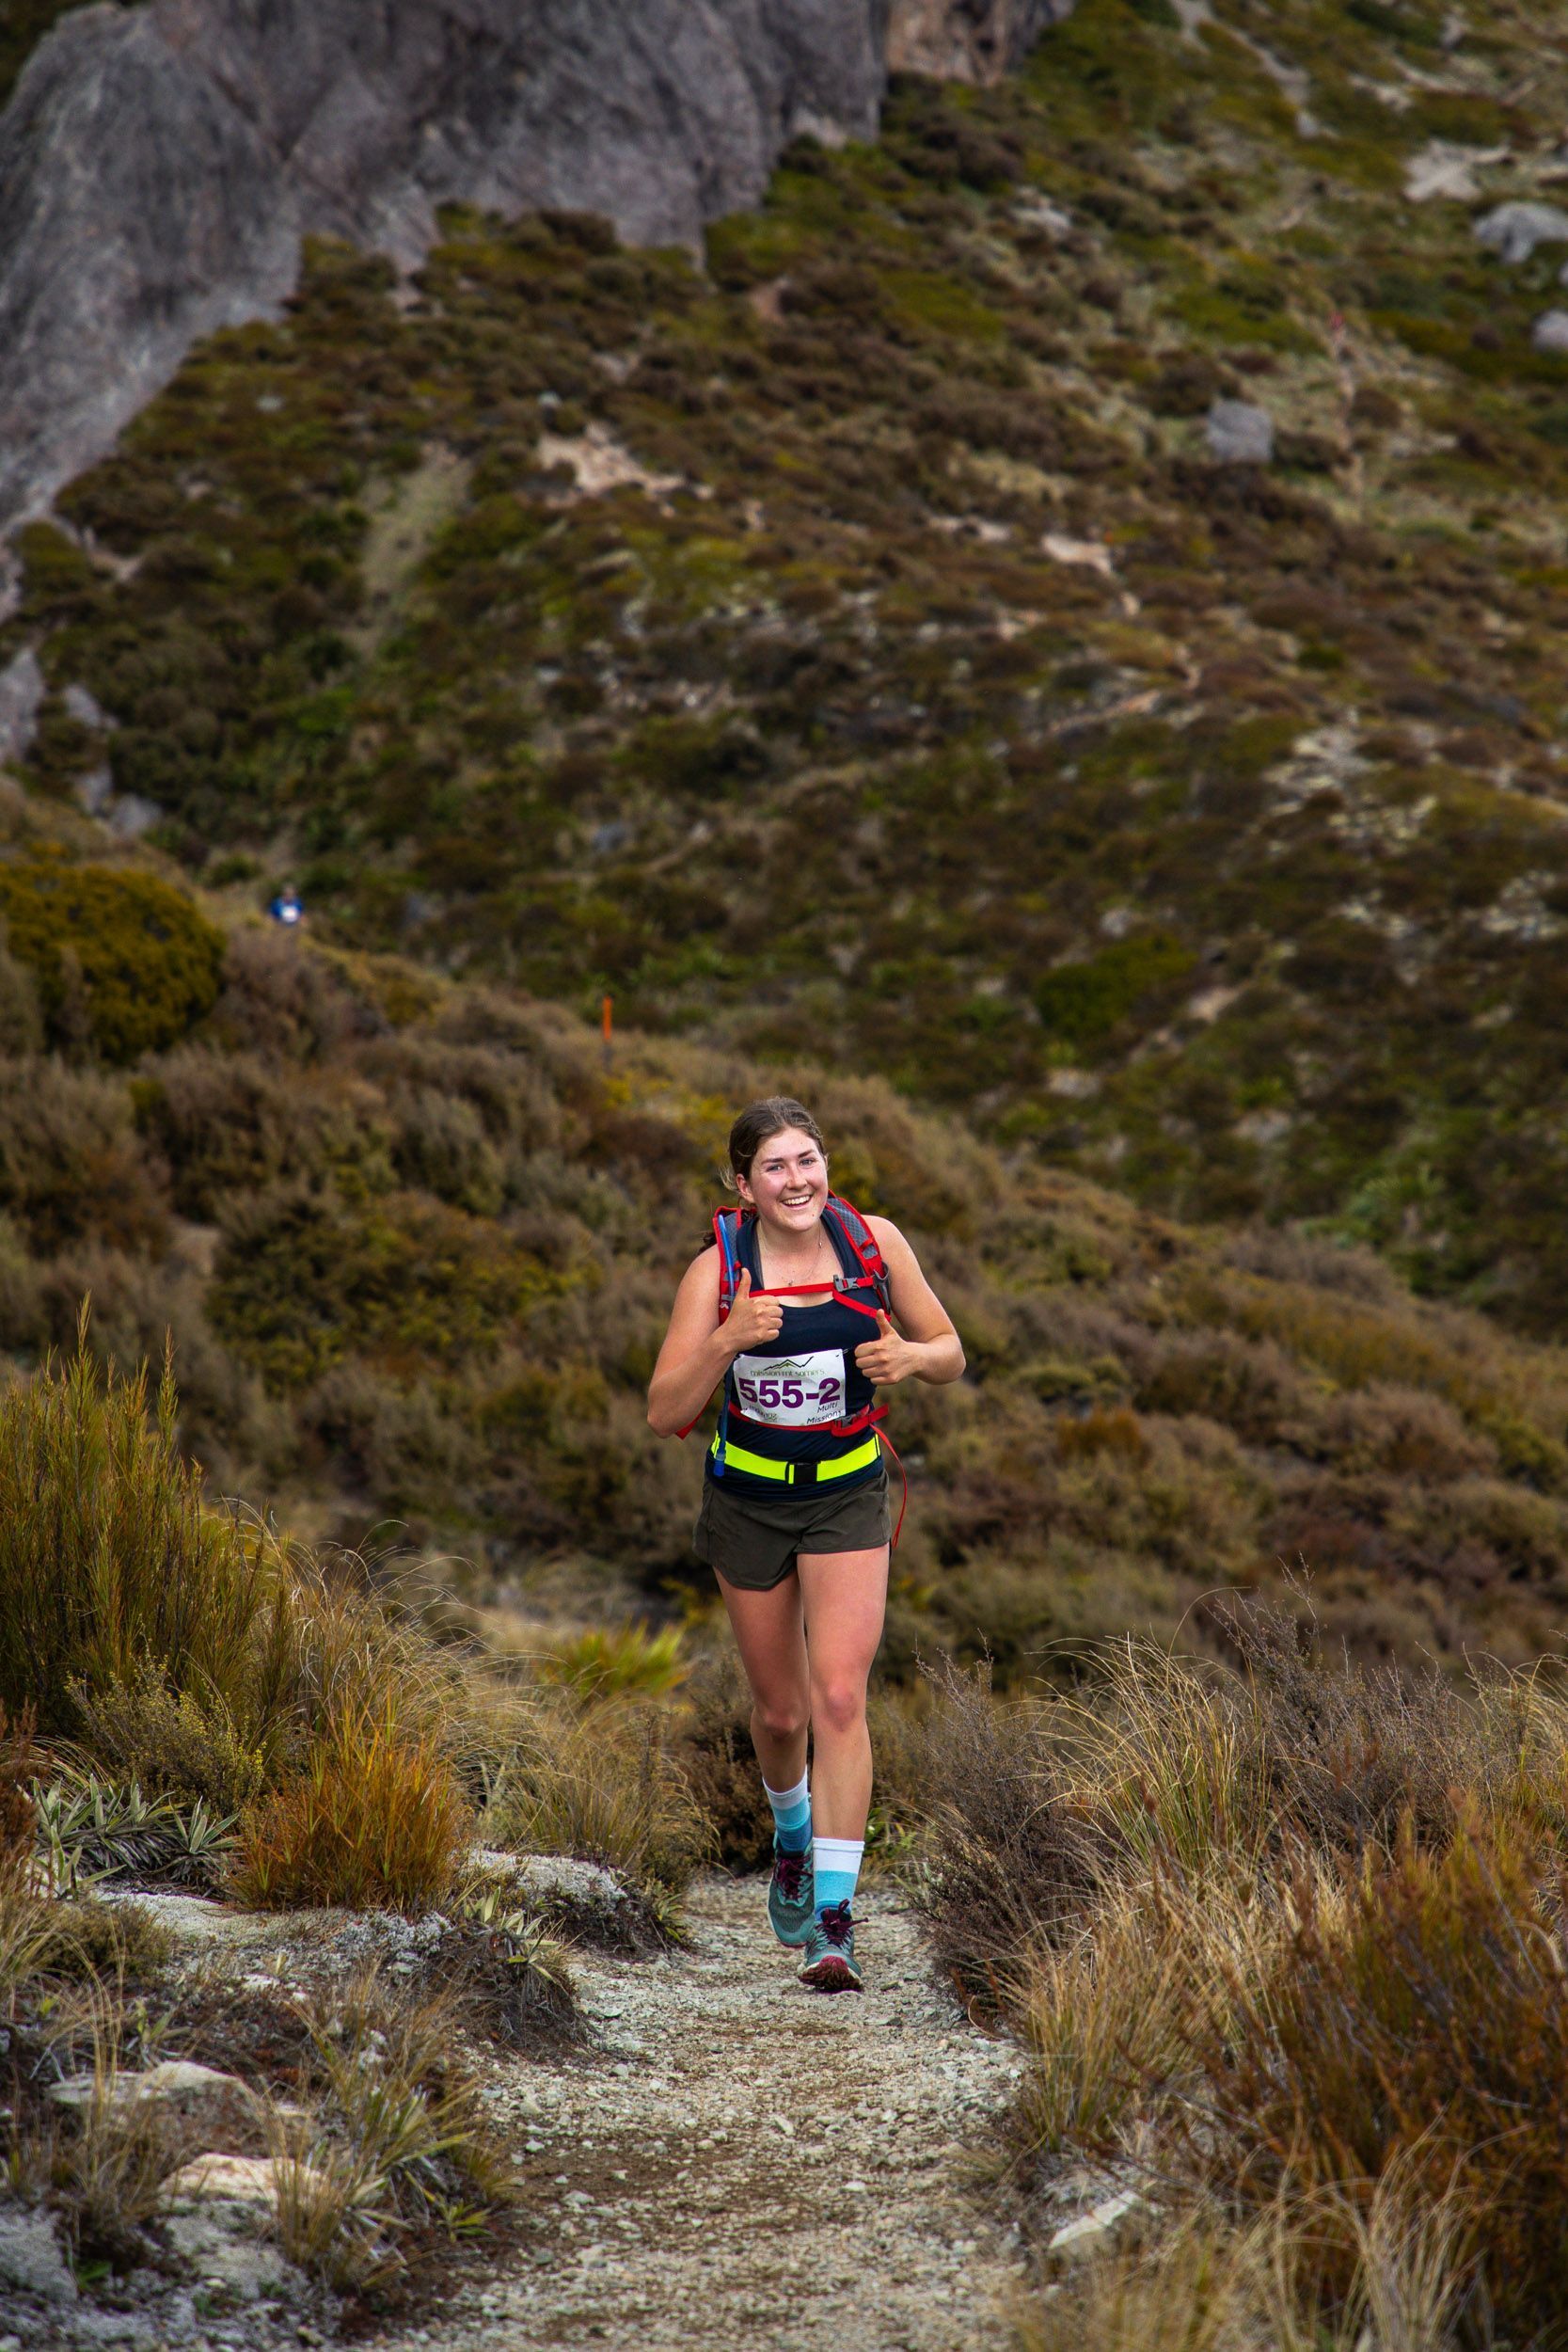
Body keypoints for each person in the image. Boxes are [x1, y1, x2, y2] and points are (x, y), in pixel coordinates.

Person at [647, 1098, 965, 1992]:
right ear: (742, 1184)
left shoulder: (873, 1243)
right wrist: (727, 1340)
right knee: (782, 1715)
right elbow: (665, 1410)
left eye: (808, 1160)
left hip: (846, 1494)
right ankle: (791, 1836)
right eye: (776, 1167)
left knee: (837, 1698)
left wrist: (911, 1360)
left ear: (827, 1164)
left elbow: (951, 1350)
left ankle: (833, 1923)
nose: (797, 1181)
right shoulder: (717, 1271)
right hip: (747, 1500)